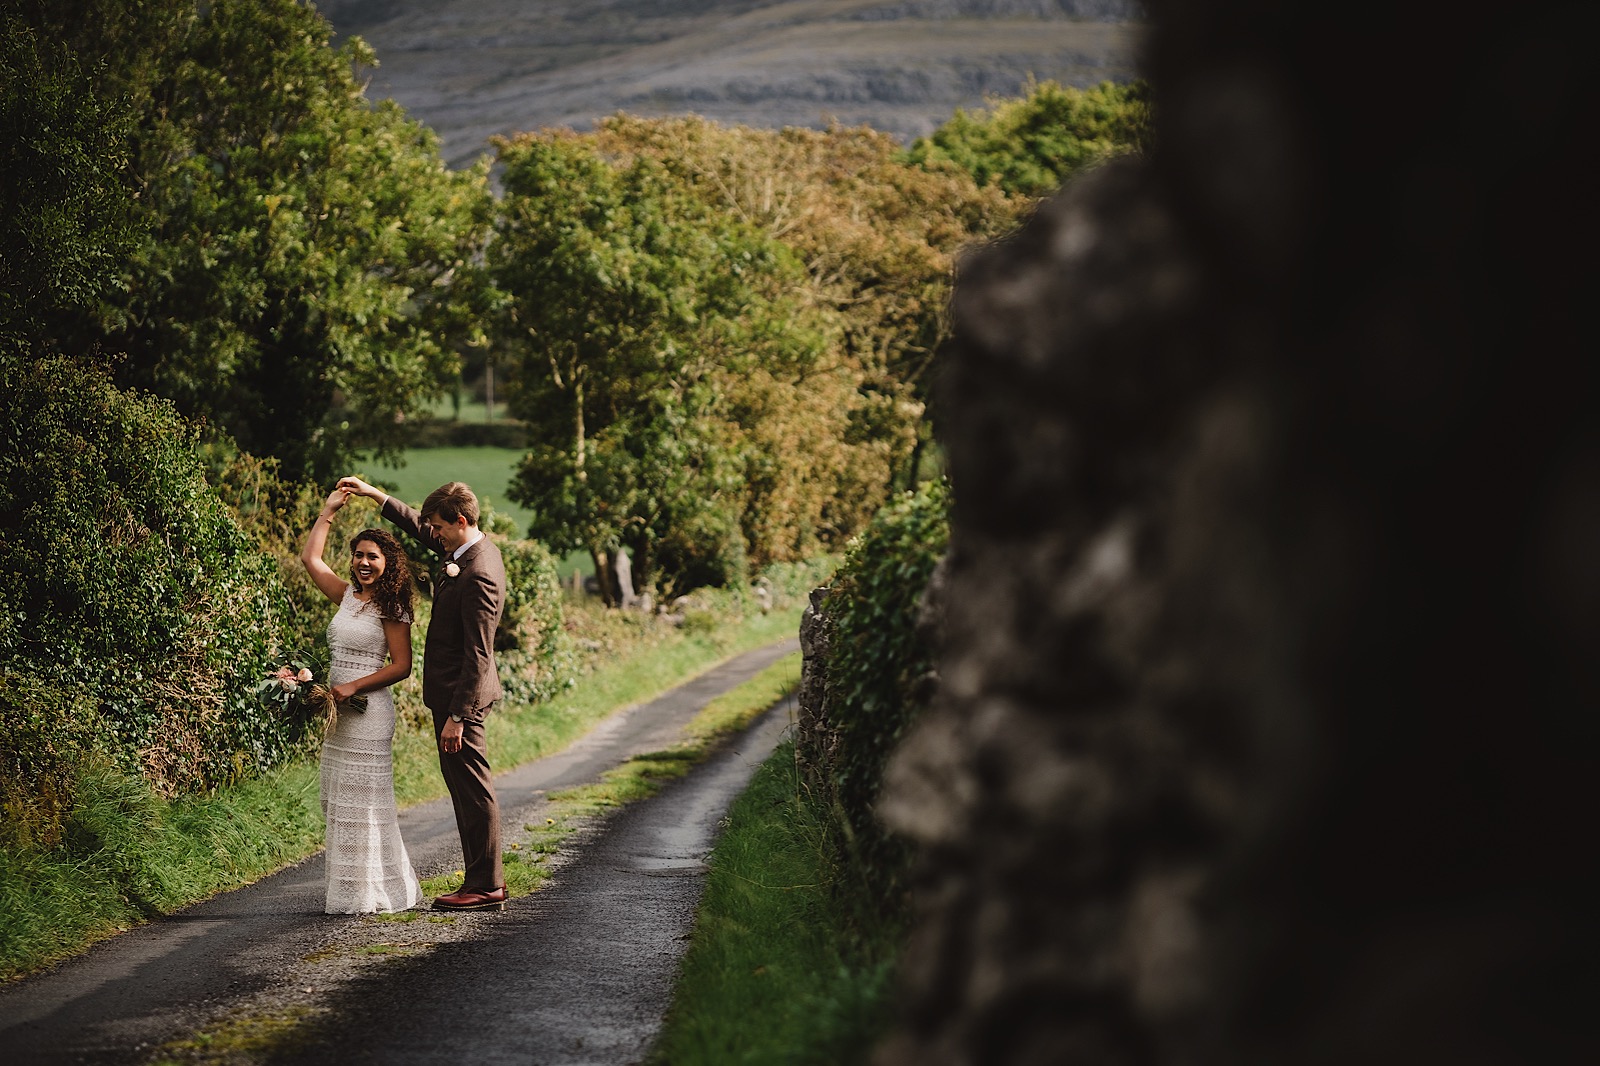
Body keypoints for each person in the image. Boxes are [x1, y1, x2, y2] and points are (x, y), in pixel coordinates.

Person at [338, 476, 508, 912]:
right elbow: (419, 526)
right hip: (450, 696)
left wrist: (458, 716)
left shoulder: (480, 573)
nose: (434, 533)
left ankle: (486, 884)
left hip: (460, 699)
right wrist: (376, 495)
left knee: (473, 790)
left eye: (440, 527)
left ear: (461, 521)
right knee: (462, 787)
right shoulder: (463, 551)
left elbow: (478, 654)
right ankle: (479, 879)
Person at [299, 489, 423, 914]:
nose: (363, 563)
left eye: (372, 556)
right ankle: (348, 890)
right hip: (340, 715)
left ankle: (375, 891)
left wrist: (354, 687)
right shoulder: (347, 596)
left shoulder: (392, 605)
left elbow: (402, 666)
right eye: (358, 555)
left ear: (387, 563)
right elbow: (311, 561)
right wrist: (328, 512)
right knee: (337, 802)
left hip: (369, 713)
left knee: (364, 804)